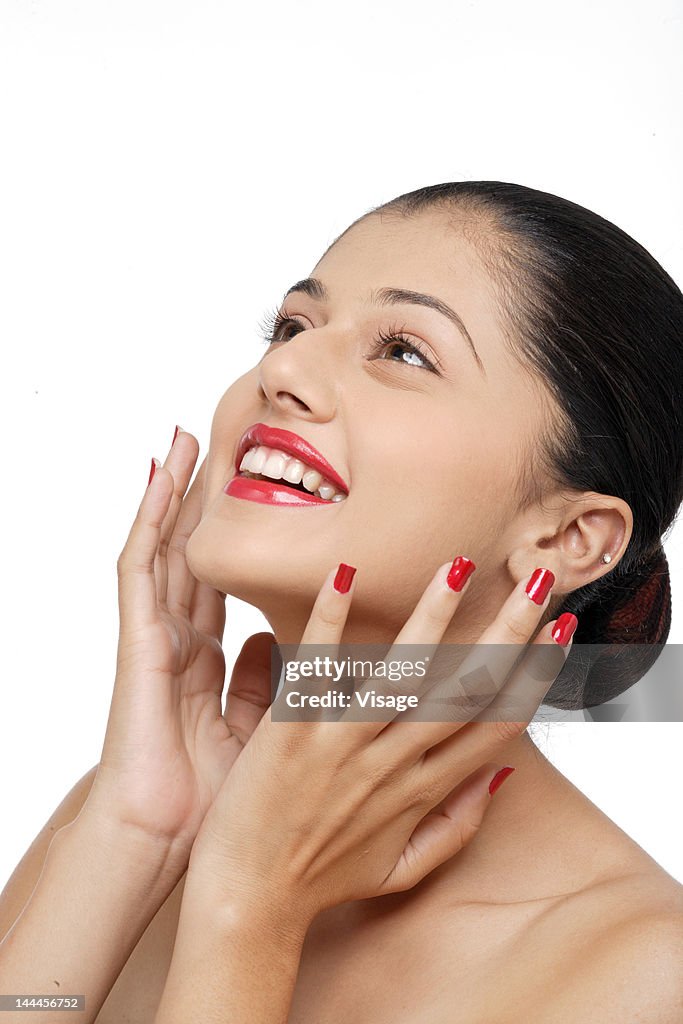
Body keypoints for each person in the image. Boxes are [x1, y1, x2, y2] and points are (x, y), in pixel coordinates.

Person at [0, 180, 681, 1023]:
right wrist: (134, 836)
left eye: (402, 352)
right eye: (291, 326)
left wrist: (247, 913)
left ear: (568, 538)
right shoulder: (130, 819)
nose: (280, 370)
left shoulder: (641, 976)